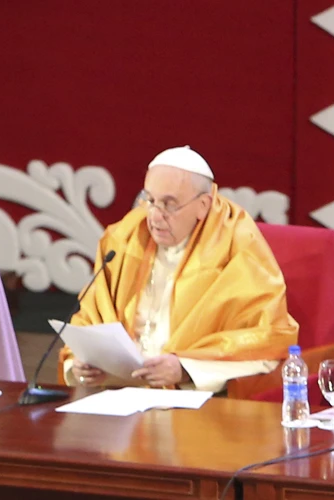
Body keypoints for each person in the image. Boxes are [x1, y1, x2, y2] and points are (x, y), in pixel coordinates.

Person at [59, 146, 298, 392]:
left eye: (169, 205)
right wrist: (81, 365)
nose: (154, 216)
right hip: (121, 392)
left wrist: (185, 368)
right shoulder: (124, 238)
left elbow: (266, 342)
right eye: (150, 200)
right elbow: (90, 316)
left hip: (195, 403)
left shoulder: (238, 245)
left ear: (203, 205)